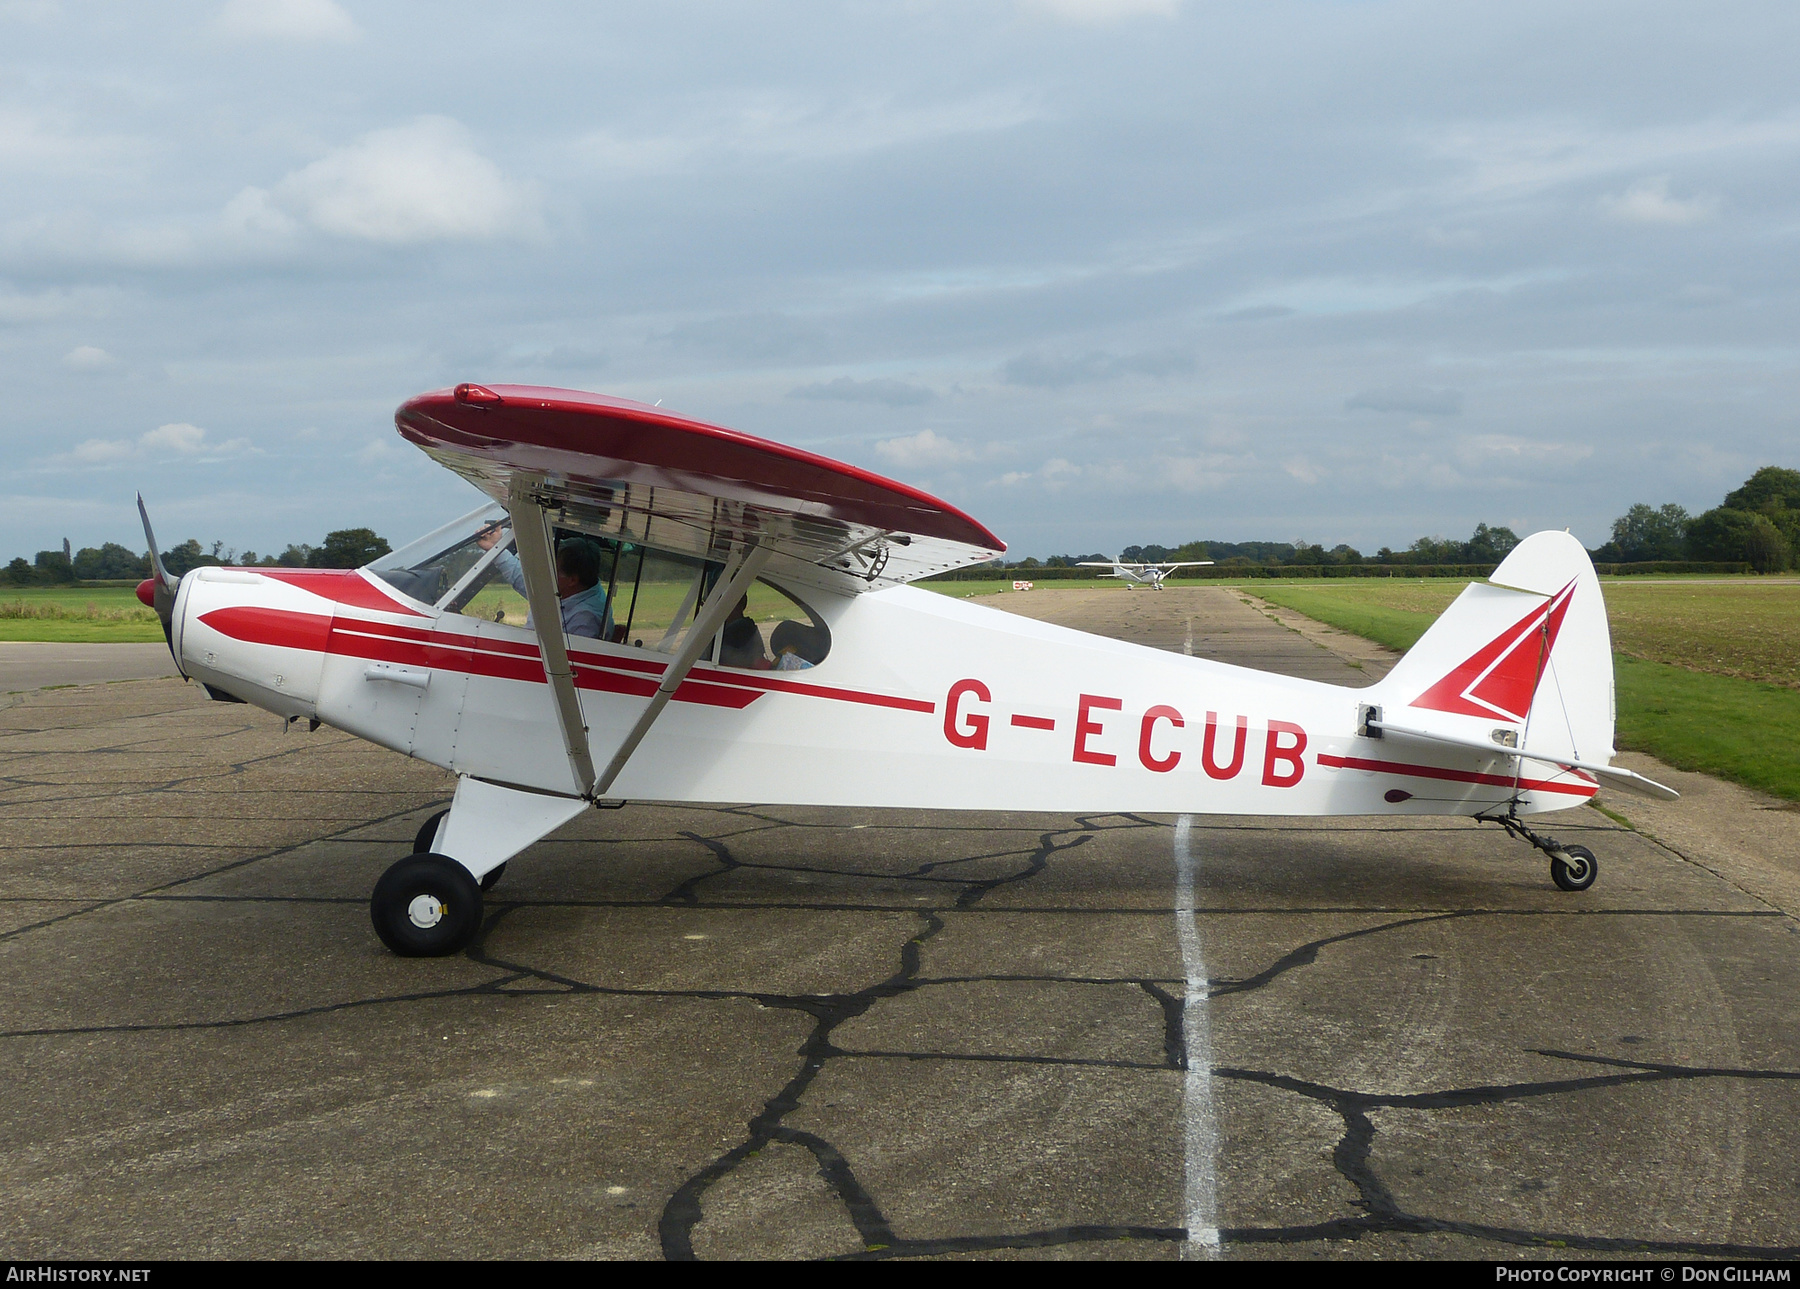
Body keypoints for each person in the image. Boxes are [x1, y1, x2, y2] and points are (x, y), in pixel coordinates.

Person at [478, 524, 611, 640]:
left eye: (551, 569)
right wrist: (494, 548)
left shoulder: (586, 620)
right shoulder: (568, 590)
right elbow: (526, 582)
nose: (543, 573)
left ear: (572, 580)